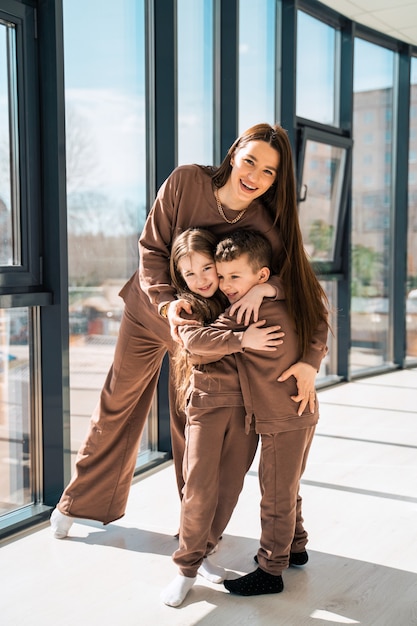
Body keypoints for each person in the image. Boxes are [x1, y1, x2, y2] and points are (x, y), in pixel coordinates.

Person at [50, 123, 327, 540]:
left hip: (205, 331)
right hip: (151, 312)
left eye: (268, 171)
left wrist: (268, 287)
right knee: (117, 402)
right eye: (250, 161)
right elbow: (151, 247)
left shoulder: (265, 223)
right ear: (233, 154)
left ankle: (194, 536)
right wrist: (166, 303)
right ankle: (78, 503)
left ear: (276, 180)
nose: (254, 176)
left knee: (191, 424)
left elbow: (298, 281)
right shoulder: (186, 181)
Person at [169, 229, 328, 599]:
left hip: (279, 417)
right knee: (288, 486)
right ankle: (297, 545)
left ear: (261, 275)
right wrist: (265, 293)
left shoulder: (245, 310)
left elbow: (196, 344)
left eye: (232, 277)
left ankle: (271, 569)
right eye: (221, 277)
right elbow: (316, 309)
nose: (224, 286)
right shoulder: (283, 301)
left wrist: (261, 300)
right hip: (300, 413)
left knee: (276, 494)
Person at [160, 228, 283, 607]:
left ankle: (205, 552)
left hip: (247, 410)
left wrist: (267, 289)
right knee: (198, 487)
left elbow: (290, 287)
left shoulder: (245, 292)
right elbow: (194, 344)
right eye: (189, 274)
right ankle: (185, 569)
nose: (201, 280)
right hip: (208, 407)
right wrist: (241, 340)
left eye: (206, 269)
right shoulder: (188, 307)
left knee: (229, 488)